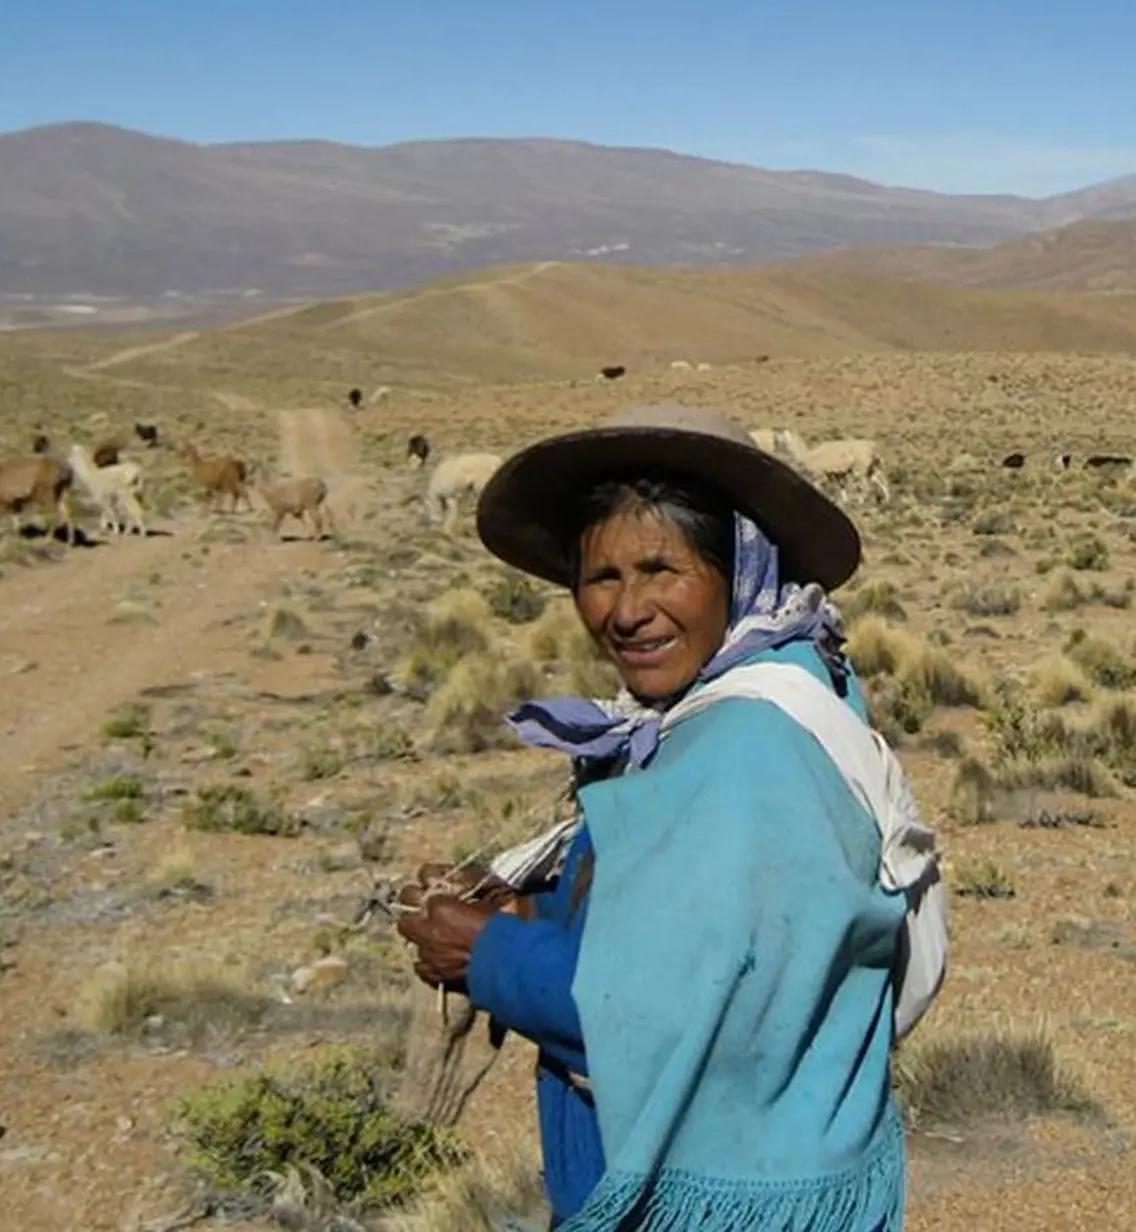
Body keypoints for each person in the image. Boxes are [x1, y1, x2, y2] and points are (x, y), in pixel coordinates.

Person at [391, 404, 947, 1232]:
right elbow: (701, 924)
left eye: (662, 569)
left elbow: (683, 1011)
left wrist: (488, 951)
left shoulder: (752, 748)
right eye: (602, 577)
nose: (627, 610)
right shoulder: (738, 702)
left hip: (724, 1201)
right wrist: (528, 905)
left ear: (740, 568)